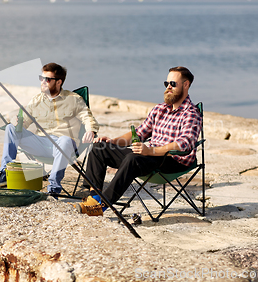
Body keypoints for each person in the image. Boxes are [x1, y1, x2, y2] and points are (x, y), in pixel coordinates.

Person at [76, 66, 202, 216]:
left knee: (133, 158)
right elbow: (140, 133)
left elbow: (184, 144)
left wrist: (150, 151)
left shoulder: (191, 113)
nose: (168, 87)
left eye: (173, 84)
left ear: (186, 85)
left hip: (173, 160)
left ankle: (102, 205)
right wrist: (113, 141)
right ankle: (94, 198)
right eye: (166, 83)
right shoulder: (159, 109)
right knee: (99, 148)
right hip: (149, 157)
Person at [0, 63, 99, 195]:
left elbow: (87, 117)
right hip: (41, 144)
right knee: (11, 128)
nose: (43, 82)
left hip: (64, 145)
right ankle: (5, 173)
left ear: (59, 82)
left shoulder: (73, 99)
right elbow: (23, 124)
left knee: (65, 140)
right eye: (41, 78)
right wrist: (16, 122)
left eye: (47, 79)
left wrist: (90, 130)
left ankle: (54, 186)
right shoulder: (36, 100)